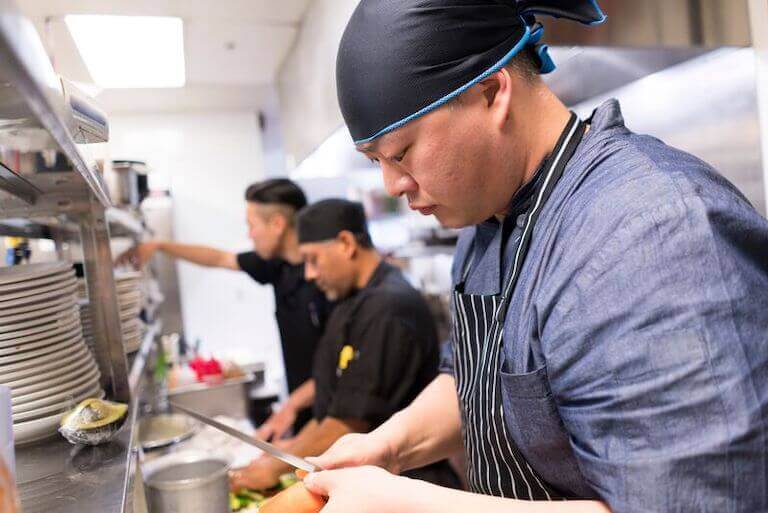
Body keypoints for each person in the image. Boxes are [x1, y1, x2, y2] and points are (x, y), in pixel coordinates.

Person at [298, 2, 768, 513]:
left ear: (493, 92)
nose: (392, 185)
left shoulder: (652, 231)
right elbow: (477, 379)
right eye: (375, 162)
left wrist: (409, 505)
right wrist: (387, 446)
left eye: (402, 152)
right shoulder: (484, 222)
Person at [229, 199, 460, 491]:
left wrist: (277, 465)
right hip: (367, 483)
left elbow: (350, 421)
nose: (309, 274)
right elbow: (335, 405)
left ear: (346, 243)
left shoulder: (388, 307)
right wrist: (291, 445)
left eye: (313, 259)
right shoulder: (351, 299)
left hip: (406, 486)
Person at [117, 179, 329, 435]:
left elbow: (341, 367)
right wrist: (160, 246)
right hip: (304, 411)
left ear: (277, 224)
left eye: (251, 225)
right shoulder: (278, 265)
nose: (249, 234)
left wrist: (291, 407)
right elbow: (219, 258)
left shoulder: (328, 280)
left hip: (335, 417)